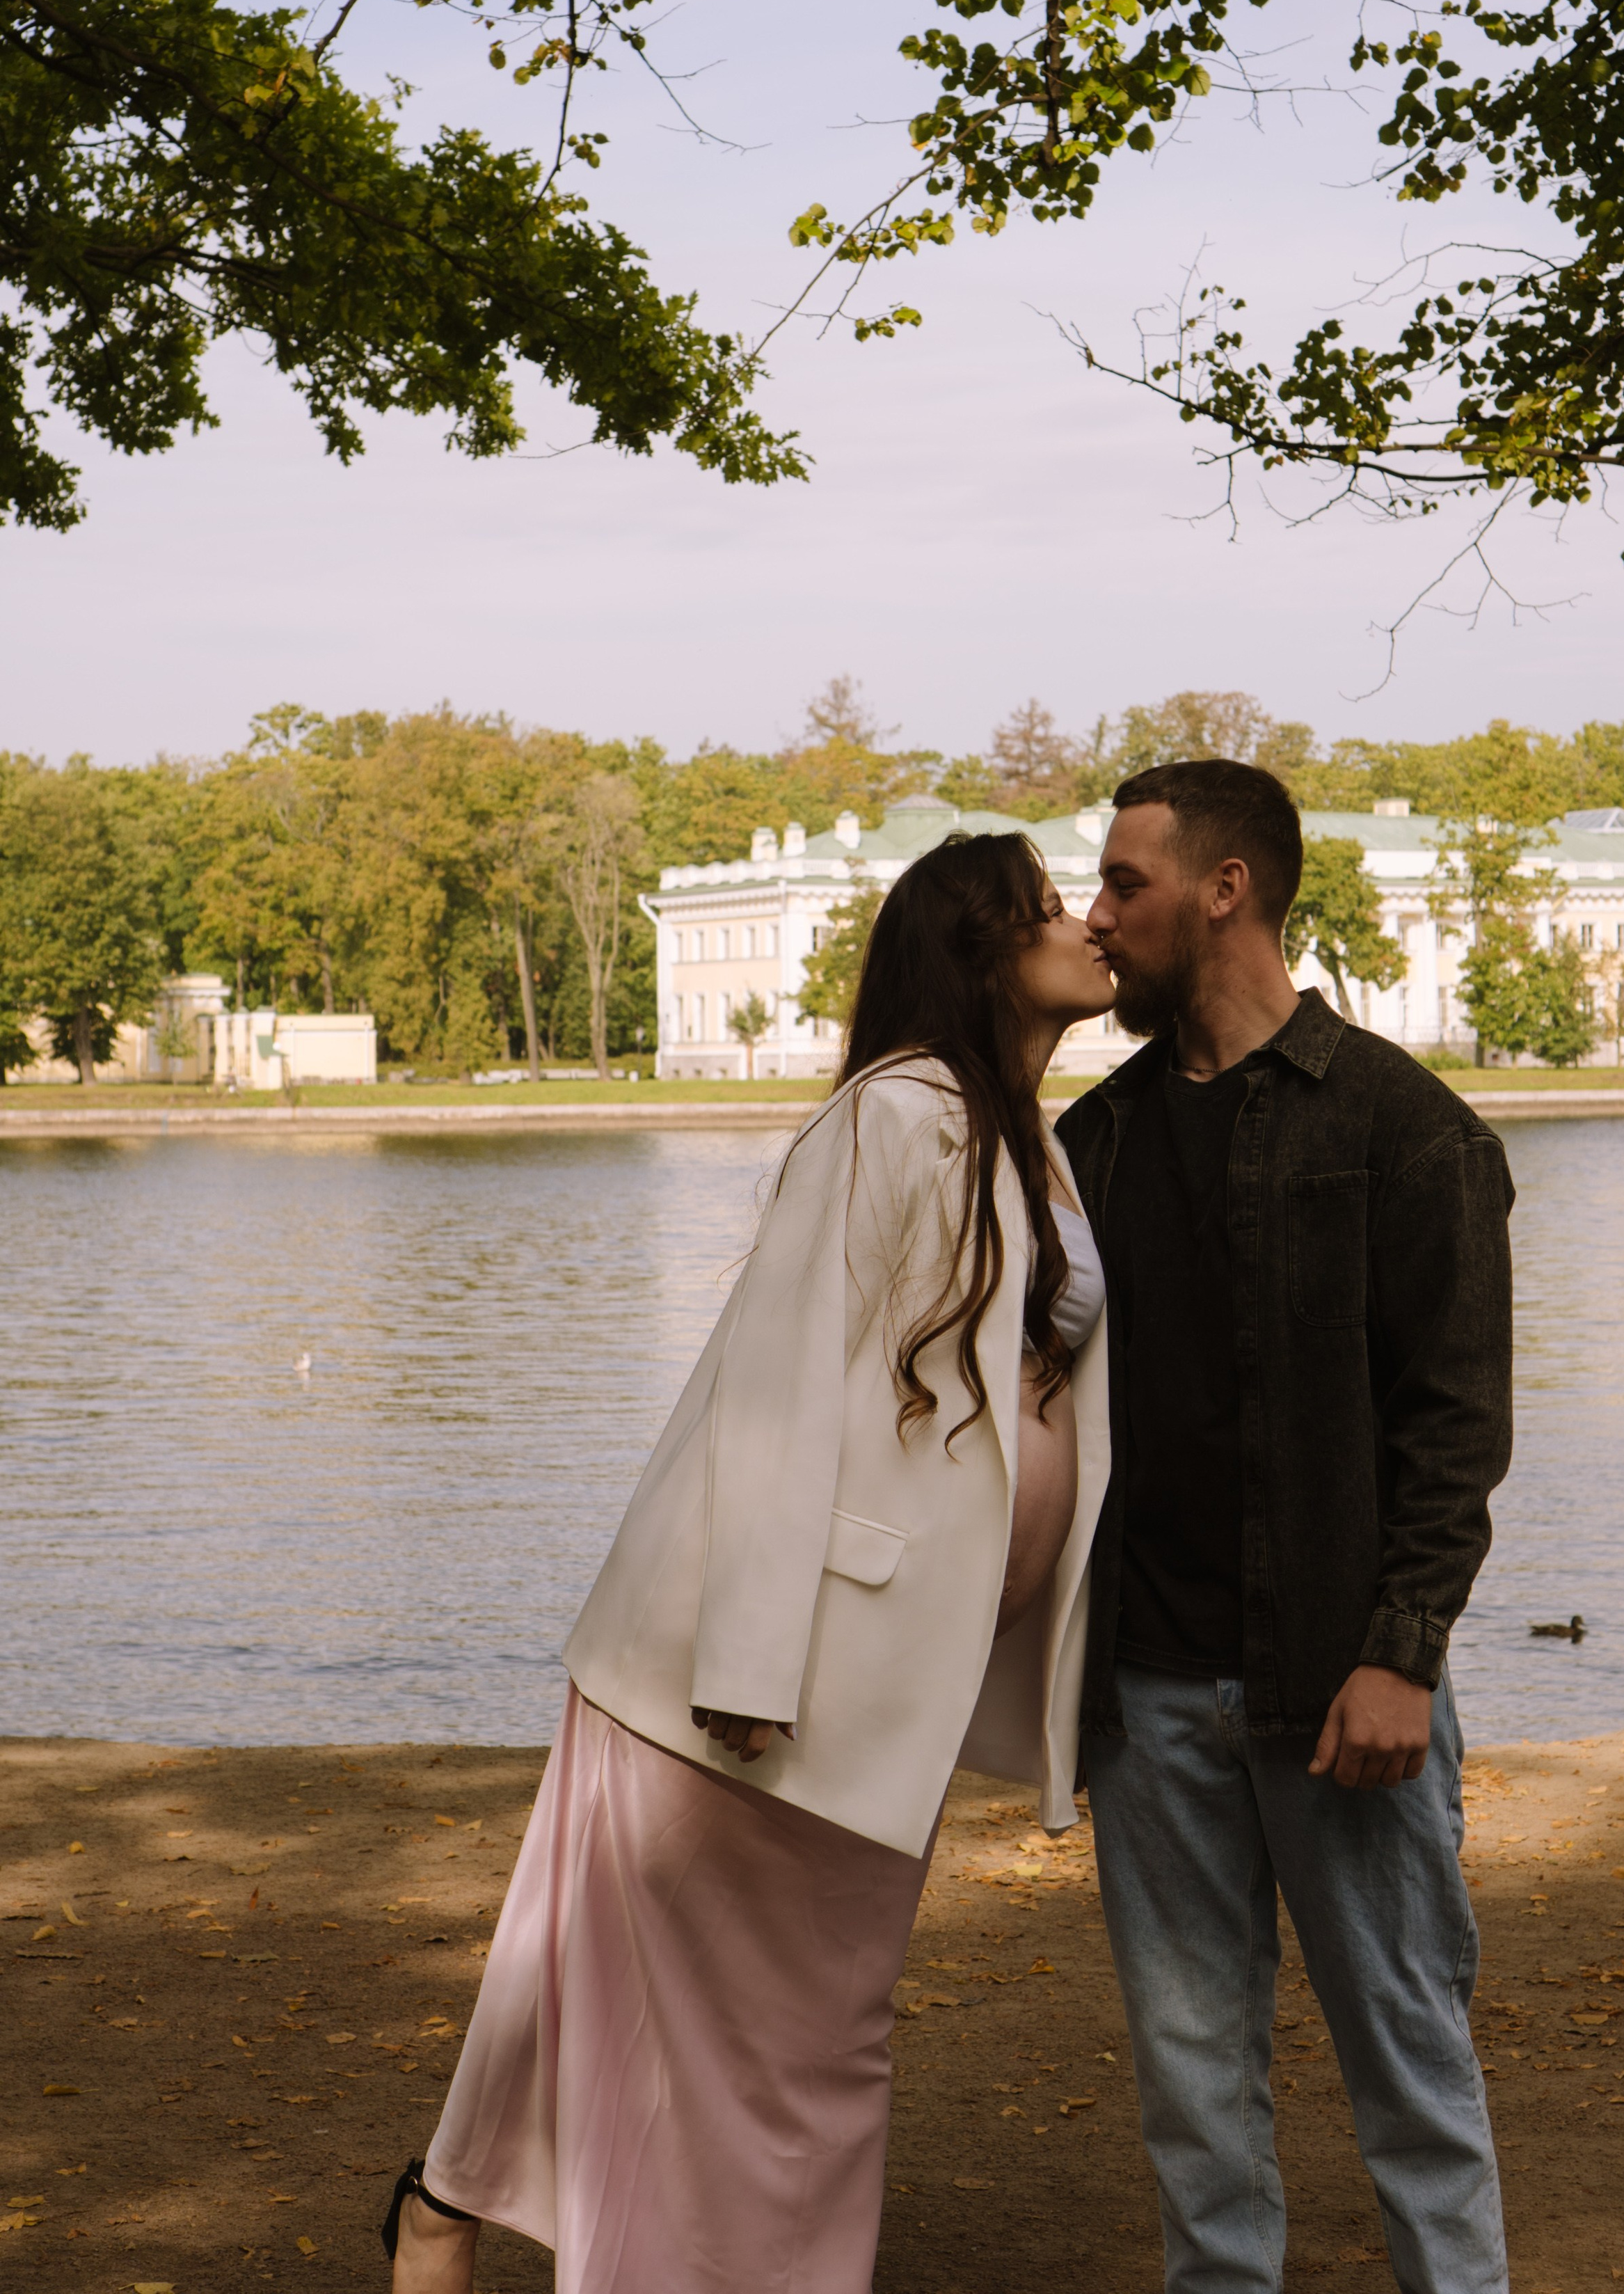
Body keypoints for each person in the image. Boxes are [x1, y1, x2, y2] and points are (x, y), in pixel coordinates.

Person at [383, 830, 1114, 2294]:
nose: (1086, 923)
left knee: (701, 1998)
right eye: (1048, 909)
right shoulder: (892, 1120)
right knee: (786, 2041)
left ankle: (443, 2203)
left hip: (894, 1676)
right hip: (780, 1673)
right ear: (980, 952)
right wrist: (747, 1661)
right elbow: (782, 1390)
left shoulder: (1029, 1135)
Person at [1056, 758, 1514, 2294]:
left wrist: (1400, 1656)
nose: (1097, 916)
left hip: (1344, 1694)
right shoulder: (1094, 1145)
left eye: (1124, 884)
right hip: (1147, 1706)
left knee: (1412, 2085)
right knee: (1194, 2107)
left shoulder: (1402, 1127)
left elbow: (1449, 1430)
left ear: (1224, 888)